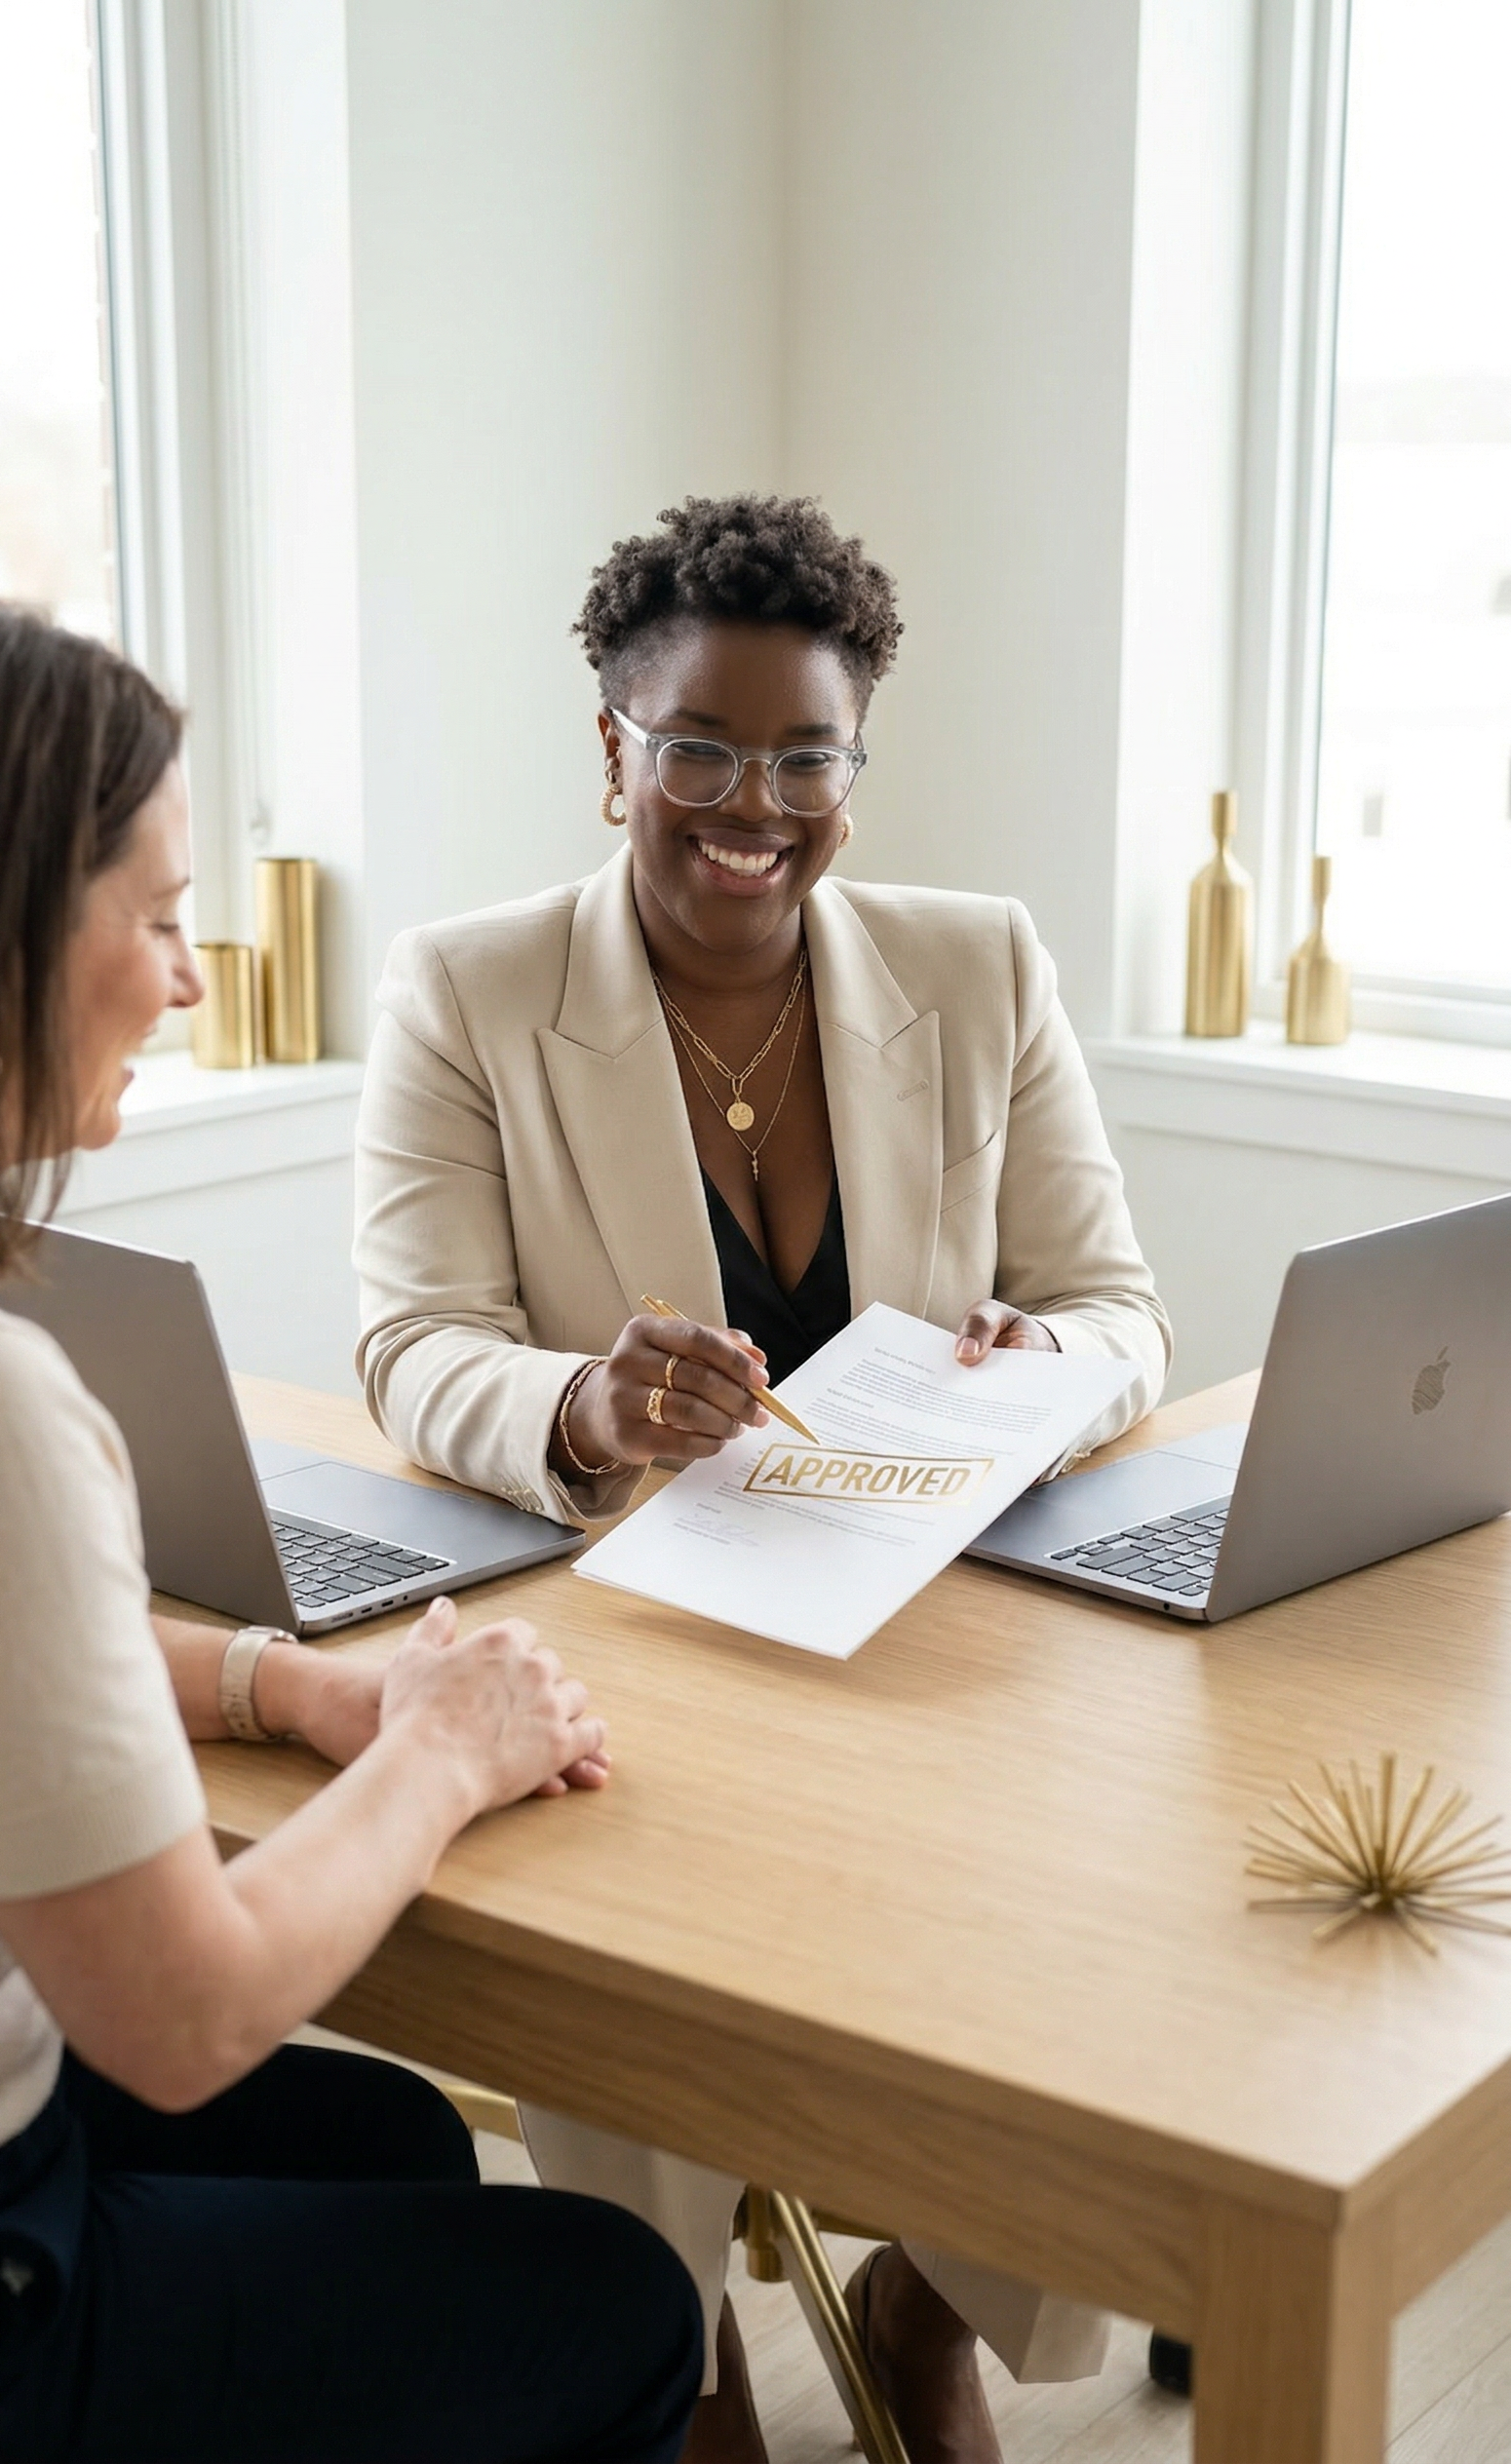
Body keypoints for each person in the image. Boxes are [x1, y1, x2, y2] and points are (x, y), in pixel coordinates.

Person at [354, 497, 1172, 2464]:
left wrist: (1033, 1358)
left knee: (1090, 1906)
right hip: (645, 1629)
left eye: (806, 756)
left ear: (853, 766)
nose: (752, 801)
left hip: (931, 1627)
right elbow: (407, 1344)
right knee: (624, 1898)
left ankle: (923, 2297)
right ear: (609, 748)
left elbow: (1119, 1306)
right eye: (695, 748)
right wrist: (583, 1403)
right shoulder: (467, 988)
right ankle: (682, 2343)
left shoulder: (974, 967)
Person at [0, 592, 703, 2464]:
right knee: (620, 2306)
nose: (189, 978)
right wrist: (438, 1747)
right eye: (156, 919)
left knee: (390, 2141)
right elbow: (183, 2015)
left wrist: (273, 1687)